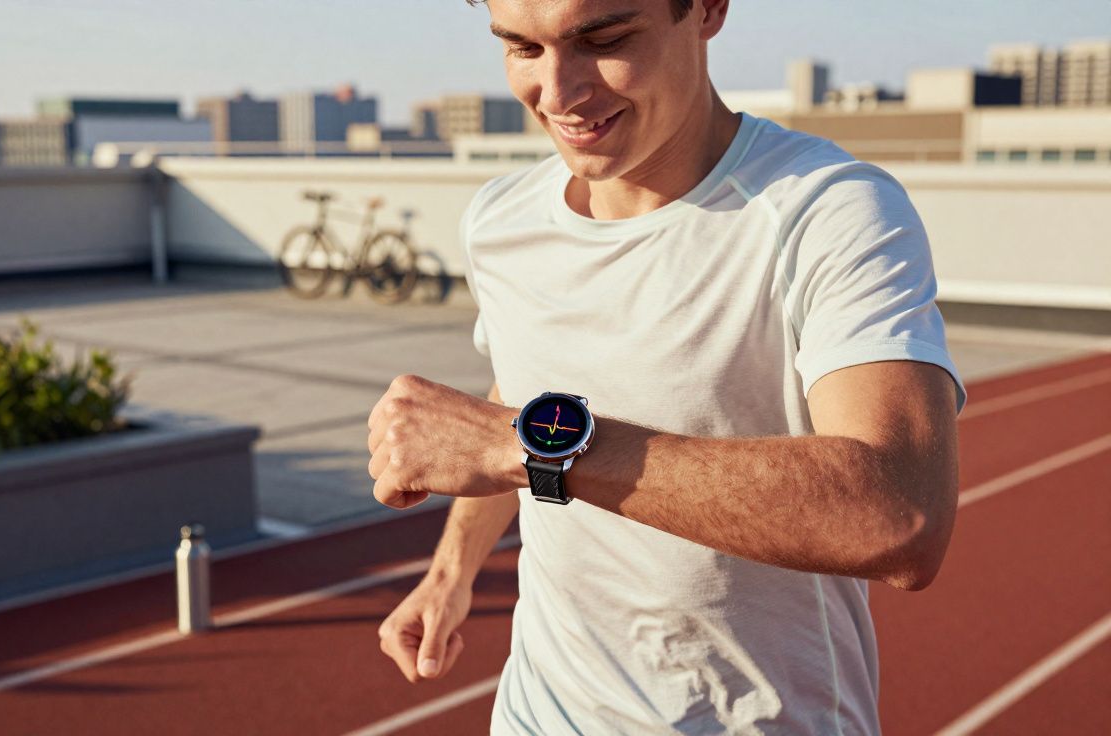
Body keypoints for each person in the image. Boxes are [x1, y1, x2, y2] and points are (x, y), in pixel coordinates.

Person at [365, 0, 966, 732]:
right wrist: (450, 572)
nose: (558, 94)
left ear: (708, 9)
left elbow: (899, 515)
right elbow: (524, 391)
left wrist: (520, 446)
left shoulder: (828, 212)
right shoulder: (500, 219)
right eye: (522, 48)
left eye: (605, 39)